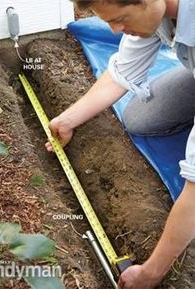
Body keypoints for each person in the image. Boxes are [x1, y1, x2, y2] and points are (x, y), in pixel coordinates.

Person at [45, 0, 195, 288]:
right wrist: (67, 119)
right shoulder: (157, 12)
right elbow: (121, 73)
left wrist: (150, 272)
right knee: (140, 118)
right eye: (109, 22)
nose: (115, 31)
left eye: (121, 19)